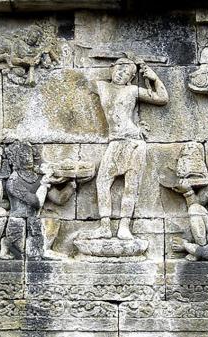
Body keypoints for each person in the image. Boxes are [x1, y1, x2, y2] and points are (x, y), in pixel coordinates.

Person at [80, 57, 168, 241]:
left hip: (134, 141)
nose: (121, 73)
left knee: (131, 185)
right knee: (102, 182)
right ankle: (105, 226)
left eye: (126, 72)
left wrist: (154, 78)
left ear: (131, 77)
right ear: (111, 70)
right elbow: (81, 79)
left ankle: (124, 227)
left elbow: (162, 98)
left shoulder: (132, 90)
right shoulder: (101, 86)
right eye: (118, 69)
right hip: (115, 141)